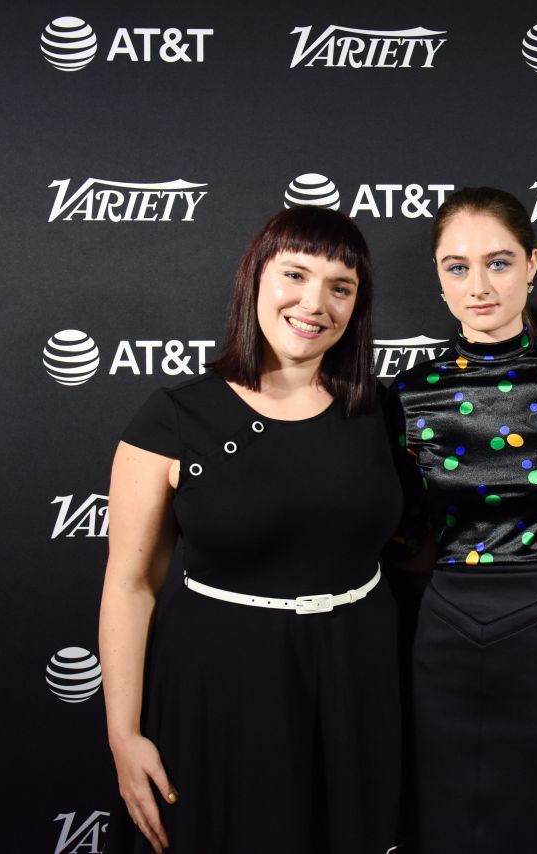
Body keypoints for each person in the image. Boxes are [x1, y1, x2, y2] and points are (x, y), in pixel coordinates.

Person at [99, 208, 403, 853]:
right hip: (218, 694)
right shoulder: (175, 417)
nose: (313, 302)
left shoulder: (384, 411)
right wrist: (124, 736)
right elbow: (130, 586)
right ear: (255, 280)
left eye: (340, 286)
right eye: (295, 274)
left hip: (357, 685)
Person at [393, 186, 537, 853]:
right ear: (438, 278)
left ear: (532, 264)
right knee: (453, 821)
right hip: (448, 630)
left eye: (499, 262)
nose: (478, 285)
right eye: (457, 266)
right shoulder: (406, 393)